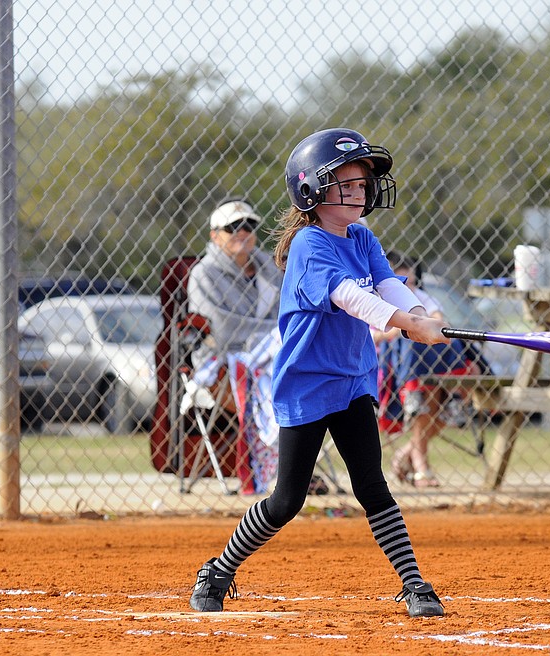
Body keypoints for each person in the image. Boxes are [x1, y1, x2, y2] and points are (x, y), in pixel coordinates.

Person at [189, 127, 448, 618]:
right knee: (287, 501)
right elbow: (350, 296)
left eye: (362, 184)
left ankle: (414, 584)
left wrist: (421, 313)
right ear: (313, 190)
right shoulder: (310, 243)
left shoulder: (363, 235)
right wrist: (407, 323)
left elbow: (387, 283)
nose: (360, 193)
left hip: (352, 379)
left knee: (371, 485)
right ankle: (218, 570)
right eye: (345, 184)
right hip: (308, 383)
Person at [374, 251, 479, 488]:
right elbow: (368, 338)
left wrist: (424, 324)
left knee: (442, 342)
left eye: (411, 282)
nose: (408, 288)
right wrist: (397, 331)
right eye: (402, 283)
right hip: (386, 365)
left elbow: (440, 320)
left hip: (424, 369)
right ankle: (419, 460)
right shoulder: (375, 299)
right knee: (408, 341)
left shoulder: (420, 297)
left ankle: (410, 451)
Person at [186, 198, 283, 366]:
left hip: (272, 355)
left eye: (249, 225)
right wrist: (279, 333)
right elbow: (221, 330)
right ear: (215, 236)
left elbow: (285, 312)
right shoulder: (204, 273)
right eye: (233, 227)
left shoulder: (270, 269)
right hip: (222, 362)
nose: (242, 232)